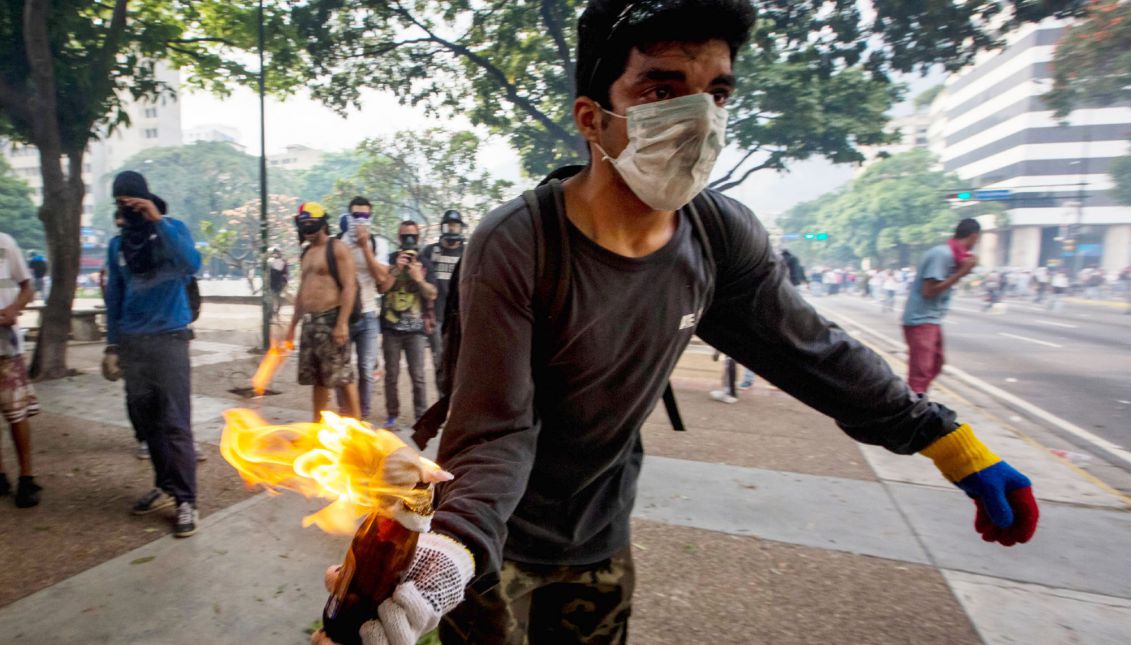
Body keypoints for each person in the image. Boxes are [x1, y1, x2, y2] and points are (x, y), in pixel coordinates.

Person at [312, 3, 1039, 644]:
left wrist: (944, 439)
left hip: (598, 529)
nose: (698, 118)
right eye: (662, 90)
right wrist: (450, 556)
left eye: (716, 92)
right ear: (592, 117)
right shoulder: (518, 242)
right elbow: (497, 427)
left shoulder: (718, 237)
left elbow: (812, 350)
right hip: (486, 532)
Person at [102, 171, 201, 537]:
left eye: (132, 200)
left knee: (176, 423)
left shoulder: (173, 229)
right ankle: (166, 484)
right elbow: (114, 297)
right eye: (120, 203)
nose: (126, 208)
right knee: (148, 425)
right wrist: (112, 344)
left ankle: (187, 500)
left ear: (146, 198)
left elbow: (191, 263)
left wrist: (156, 219)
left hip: (170, 339)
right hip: (133, 344)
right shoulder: (118, 245)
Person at [284, 202, 361, 421]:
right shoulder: (306, 253)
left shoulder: (336, 248)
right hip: (310, 323)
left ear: (322, 224)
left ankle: (357, 426)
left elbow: (349, 286)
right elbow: (301, 292)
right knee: (317, 378)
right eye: (303, 224)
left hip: (331, 319)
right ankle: (317, 424)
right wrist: (292, 327)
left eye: (311, 224)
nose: (307, 229)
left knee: (342, 376)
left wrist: (342, 323)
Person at [901, 219, 980, 395]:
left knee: (935, 364)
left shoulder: (953, 256)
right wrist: (961, 273)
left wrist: (962, 268)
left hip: (931, 318)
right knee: (920, 372)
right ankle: (913, 411)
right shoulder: (942, 255)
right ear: (974, 236)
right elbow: (928, 291)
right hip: (920, 319)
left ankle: (916, 400)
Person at [334, 197, 391, 421]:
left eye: (365, 216)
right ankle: (344, 415)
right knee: (342, 369)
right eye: (356, 215)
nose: (360, 220)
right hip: (342, 315)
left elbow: (381, 277)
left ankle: (362, 416)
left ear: (371, 218)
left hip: (369, 314)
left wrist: (365, 246)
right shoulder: (337, 243)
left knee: (367, 371)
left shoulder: (379, 244)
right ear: (347, 216)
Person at [377, 220, 437, 430]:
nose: (409, 240)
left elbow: (432, 293)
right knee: (391, 375)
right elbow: (381, 288)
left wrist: (418, 279)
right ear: (399, 237)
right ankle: (392, 416)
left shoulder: (425, 263)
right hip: (391, 328)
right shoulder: (390, 259)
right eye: (405, 237)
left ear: (419, 238)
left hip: (416, 331)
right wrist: (396, 269)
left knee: (418, 375)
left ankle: (421, 416)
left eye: (412, 236)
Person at [0, 233, 42, 508]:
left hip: (5, 345)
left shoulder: (5, 243)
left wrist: (15, 308)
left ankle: (27, 477)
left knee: (16, 413)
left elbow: (28, 286)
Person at [421, 209, 467, 392]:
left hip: (461, 316)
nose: (452, 229)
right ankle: (442, 402)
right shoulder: (431, 251)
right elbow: (422, 284)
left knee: (461, 362)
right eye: (449, 225)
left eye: (455, 225)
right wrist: (426, 313)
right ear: (442, 227)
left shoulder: (467, 251)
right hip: (437, 315)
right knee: (440, 360)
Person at [267, 247, 289, 319]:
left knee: (276, 297)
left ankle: (275, 311)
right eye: (275, 253)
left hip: (279, 281)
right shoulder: (272, 261)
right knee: (274, 297)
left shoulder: (281, 262)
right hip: (274, 281)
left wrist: (284, 282)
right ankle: (273, 312)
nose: (276, 254)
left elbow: (284, 273)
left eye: (277, 253)